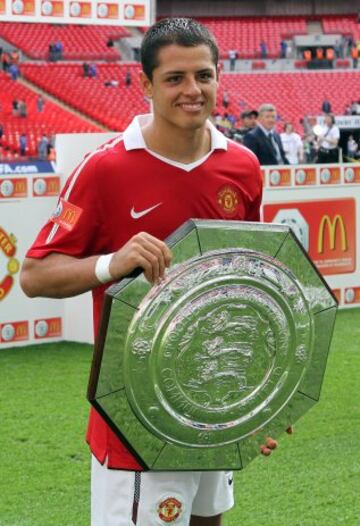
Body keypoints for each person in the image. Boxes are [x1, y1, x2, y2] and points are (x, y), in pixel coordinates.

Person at [21, 18, 282, 526]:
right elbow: (34, 275)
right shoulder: (106, 169)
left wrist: (256, 400)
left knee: (209, 521)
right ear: (145, 85)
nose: (193, 90)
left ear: (218, 77)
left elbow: (246, 289)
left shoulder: (243, 166)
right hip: (134, 416)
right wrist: (109, 264)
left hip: (213, 407)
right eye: (175, 78)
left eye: (203, 76)